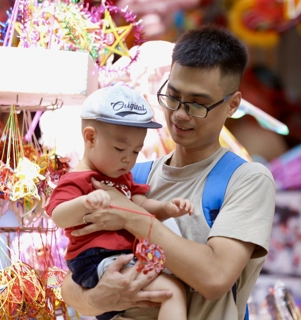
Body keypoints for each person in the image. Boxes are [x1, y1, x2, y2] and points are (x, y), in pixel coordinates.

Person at [61, 25, 276, 320]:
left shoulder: (246, 180)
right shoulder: (130, 175)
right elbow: (70, 286)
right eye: (173, 96)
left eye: (198, 104)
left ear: (232, 105)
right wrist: (100, 297)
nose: (179, 114)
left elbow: (214, 277)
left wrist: (127, 215)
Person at [46, 85, 193, 320]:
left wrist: (166, 209)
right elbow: (58, 215)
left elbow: (140, 207)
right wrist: (86, 202)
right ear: (90, 137)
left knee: (171, 288)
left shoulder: (121, 178)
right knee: (171, 291)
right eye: (120, 148)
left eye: (136, 151)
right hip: (95, 259)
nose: (128, 159)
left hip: (122, 257)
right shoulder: (77, 180)